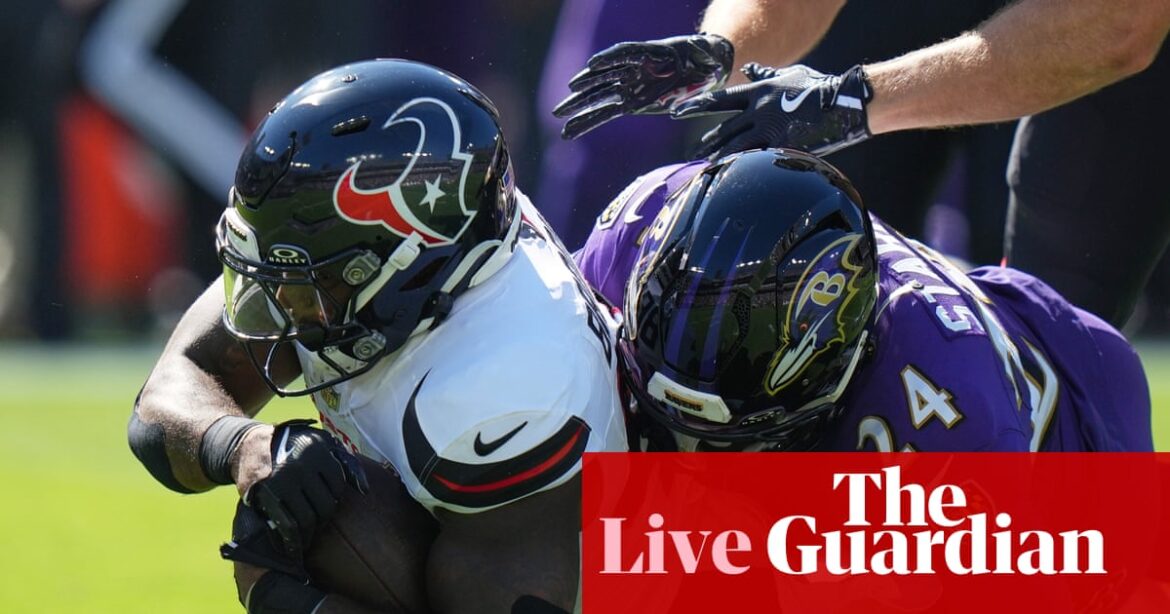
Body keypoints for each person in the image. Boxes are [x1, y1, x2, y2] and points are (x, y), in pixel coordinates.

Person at [129, 59, 626, 614]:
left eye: (307, 280)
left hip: (626, 587)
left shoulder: (504, 389)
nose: (283, 303)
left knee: (316, 530)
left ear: (408, 267)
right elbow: (163, 406)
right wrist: (243, 445)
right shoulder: (443, 246)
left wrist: (285, 601)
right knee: (294, 501)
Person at [556, 0, 1170, 328]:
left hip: (1103, 30)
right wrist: (722, 49)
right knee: (794, 282)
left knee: (1054, 333)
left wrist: (851, 102)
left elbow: (1118, 25)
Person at [576, 148, 1152, 453]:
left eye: (727, 445)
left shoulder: (950, 415)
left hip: (1081, 422)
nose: (688, 458)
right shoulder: (638, 224)